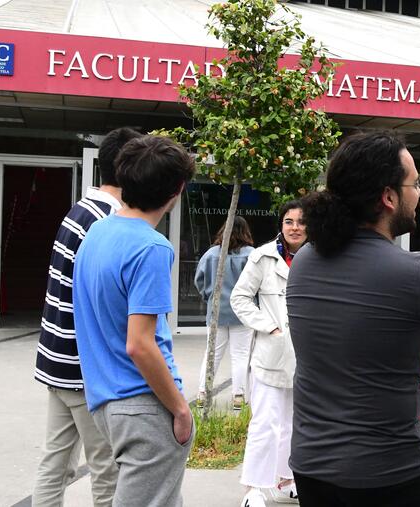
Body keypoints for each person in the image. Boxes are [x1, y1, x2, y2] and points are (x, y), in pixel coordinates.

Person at [286, 130, 420, 506]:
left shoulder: (304, 260)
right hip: (389, 476)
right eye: (415, 183)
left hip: (312, 469)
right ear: (388, 197)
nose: (419, 192)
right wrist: (408, 352)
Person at [72, 135, 197, 507]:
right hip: (143, 404)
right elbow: (140, 343)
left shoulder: (97, 232)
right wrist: (180, 408)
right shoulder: (152, 247)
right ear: (177, 190)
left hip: (105, 401)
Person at [32, 126, 141, 507]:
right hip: (84, 367)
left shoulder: (80, 208)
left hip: (55, 358)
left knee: (55, 460)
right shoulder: (108, 219)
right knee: (107, 470)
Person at [231, 201, 307, 507]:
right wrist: (269, 327)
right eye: (289, 221)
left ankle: (286, 480)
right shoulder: (263, 257)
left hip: (306, 357)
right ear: (281, 224)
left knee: (293, 423)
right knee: (265, 423)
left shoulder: (319, 258)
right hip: (271, 355)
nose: (295, 227)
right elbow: (240, 298)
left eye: (301, 222)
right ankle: (254, 488)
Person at [194, 216, 255, 409]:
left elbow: (199, 280)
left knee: (212, 353)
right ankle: (238, 395)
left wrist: (209, 296)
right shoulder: (251, 254)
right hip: (243, 312)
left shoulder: (212, 254)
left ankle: (203, 392)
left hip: (217, 311)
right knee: (241, 355)